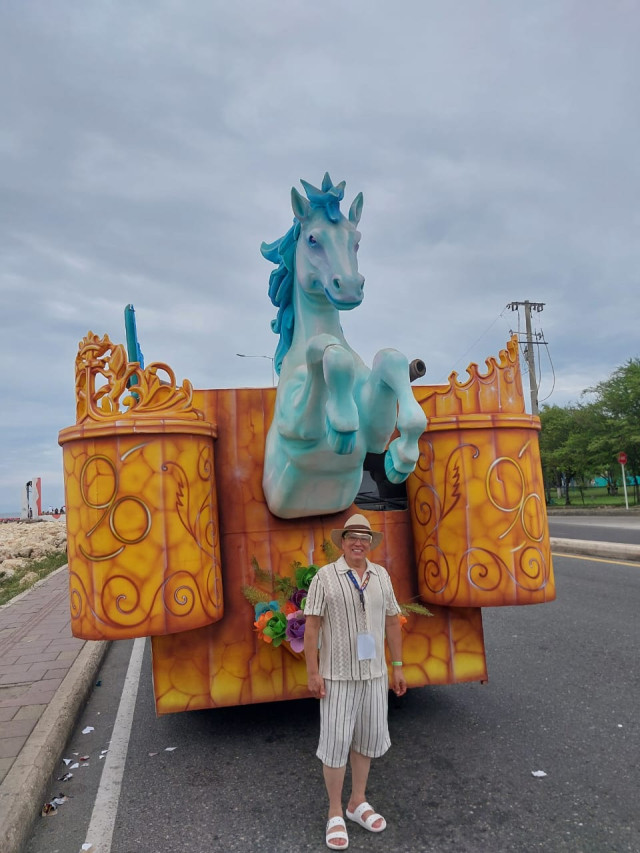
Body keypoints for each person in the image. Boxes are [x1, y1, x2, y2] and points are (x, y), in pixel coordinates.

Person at [303, 513, 407, 850]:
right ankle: (335, 811)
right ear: (342, 541)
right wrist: (312, 671)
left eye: (364, 537)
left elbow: (392, 622)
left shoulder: (381, 576)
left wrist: (398, 665)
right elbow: (312, 627)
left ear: (371, 543)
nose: (358, 542)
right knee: (335, 744)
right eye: (352, 537)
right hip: (338, 677)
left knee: (366, 740)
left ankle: (356, 802)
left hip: (375, 675)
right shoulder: (325, 577)